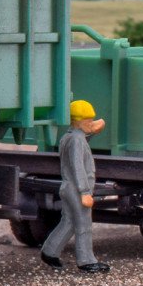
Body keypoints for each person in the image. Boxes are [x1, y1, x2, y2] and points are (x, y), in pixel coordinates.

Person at [41, 99, 110, 274]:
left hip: (67, 187)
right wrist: (85, 192)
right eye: (87, 121)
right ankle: (86, 261)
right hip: (76, 189)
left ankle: (50, 251)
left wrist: (94, 131)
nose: (90, 123)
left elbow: (82, 138)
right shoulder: (77, 141)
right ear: (77, 121)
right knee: (84, 224)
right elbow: (78, 166)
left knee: (69, 222)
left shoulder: (68, 137)